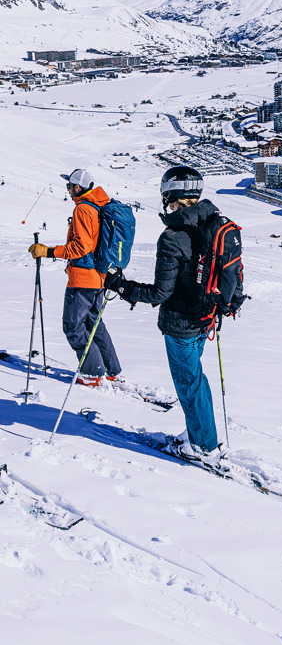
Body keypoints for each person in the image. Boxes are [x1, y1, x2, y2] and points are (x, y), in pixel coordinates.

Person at [106, 165, 222, 461]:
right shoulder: (214, 224)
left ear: (169, 194)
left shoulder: (173, 236)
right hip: (205, 318)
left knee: (188, 385)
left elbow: (160, 293)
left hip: (181, 324)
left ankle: (203, 448)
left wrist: (122, 286)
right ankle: (200, 435)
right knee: (196, 380)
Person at [27, 168, 121, 387]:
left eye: (69, 185)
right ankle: (111, 370)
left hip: (82, 280)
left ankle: (91, 374)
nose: (68, 189)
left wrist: (48, 251)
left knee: (72, 326)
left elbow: (81, 247)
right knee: (94, 323)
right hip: (99, 277)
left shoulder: (83, 210)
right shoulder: (98, 206)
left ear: (77, 187)